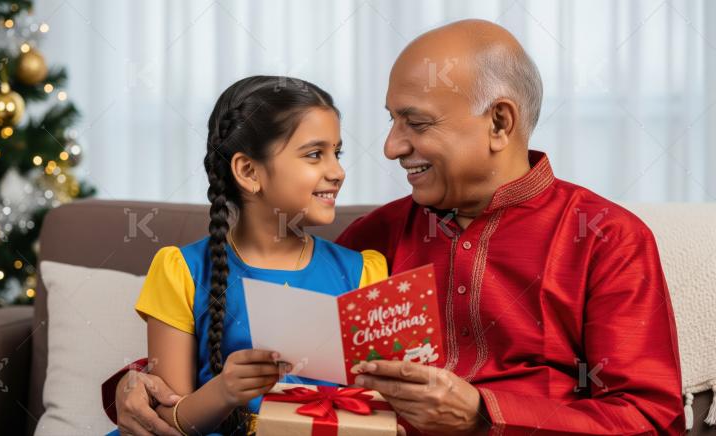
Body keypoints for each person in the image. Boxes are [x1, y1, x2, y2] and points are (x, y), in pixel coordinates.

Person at [103, 20, 685, 435]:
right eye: (390, 120)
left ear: (500, 123)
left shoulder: (607, 238)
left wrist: (485, 413)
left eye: (416, 123)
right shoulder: (374, 240)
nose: (389, 147)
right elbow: (261, 331)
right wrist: (136, 385)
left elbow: (651, 417)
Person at [106, 76, 388, 435]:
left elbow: (377, 408)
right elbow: (167, 422)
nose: (337, 171)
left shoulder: (364, 273)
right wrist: (224, 391)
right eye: (315, 154)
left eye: (337, 152)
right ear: (249, 171)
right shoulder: (182, 271)